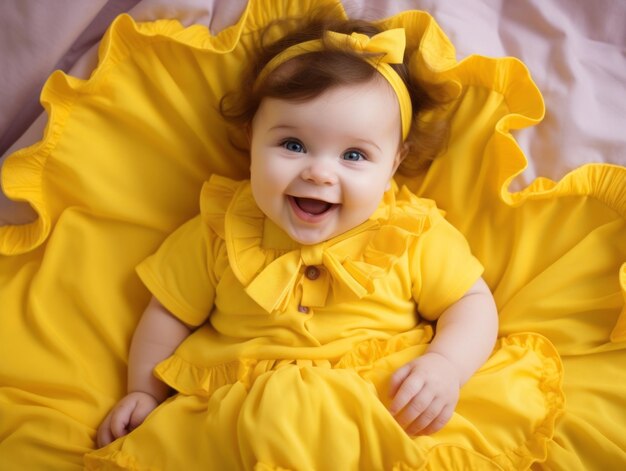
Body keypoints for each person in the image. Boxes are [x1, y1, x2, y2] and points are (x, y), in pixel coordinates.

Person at [88, 17, 499, 469]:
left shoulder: (411, 232)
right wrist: (144, 392)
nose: (319, 172)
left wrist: (446, 365)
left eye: (354, 155)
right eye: (293, 145)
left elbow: (471, 302)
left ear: (394, 164)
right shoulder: (219, 229)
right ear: (252, 139)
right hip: (243, 417)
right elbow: (167, 311)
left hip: (380, 411)